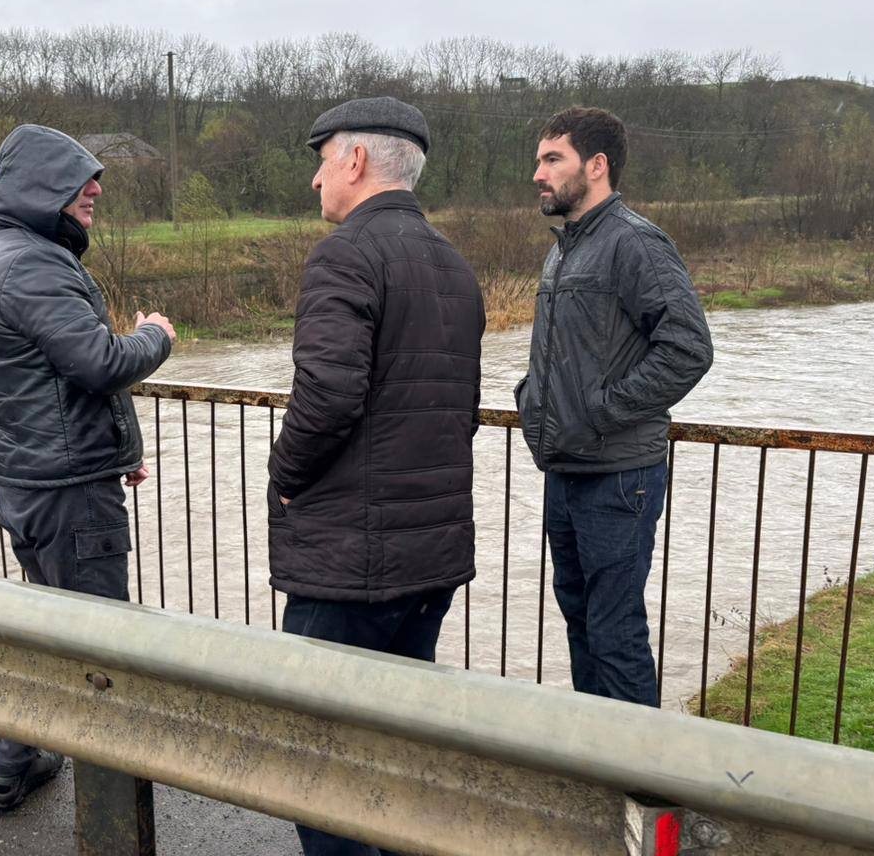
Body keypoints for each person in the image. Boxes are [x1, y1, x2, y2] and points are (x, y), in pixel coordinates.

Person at [267, 97, 484, 856]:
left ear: (354, 161)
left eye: (321, 160)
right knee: (401, 752)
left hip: (349, 565)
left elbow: (326, 398)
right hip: (431, 557)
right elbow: (460, 411)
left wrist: (285, 475)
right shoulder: (452, 264)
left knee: (320, 760)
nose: (315, 180)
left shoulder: (345, 255)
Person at [0, 123, 175, 812]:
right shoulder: (34, 265)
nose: (96, 190)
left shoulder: (13, 254)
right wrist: (155, 336)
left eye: (96, 179)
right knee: (100, 655)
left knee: (54, 630)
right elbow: (100, 363)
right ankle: (111, 812)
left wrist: (125, 452)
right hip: (67, 496)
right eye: (79, 180)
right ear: (38, 188)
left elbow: (52, 385)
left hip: (34, 484)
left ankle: (14, 764)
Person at [516, 106, 713, 708]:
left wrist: (603, 411)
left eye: (553, 159)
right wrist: (532, 400)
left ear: (596, 167)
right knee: (580, 620)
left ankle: (646, 789)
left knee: (615, 630)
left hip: (618, 474)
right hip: (567, 470)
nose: (538, 174)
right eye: (539, 160)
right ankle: (599, 764)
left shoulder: (634, 242)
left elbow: (688, 348)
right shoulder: (565, 249)